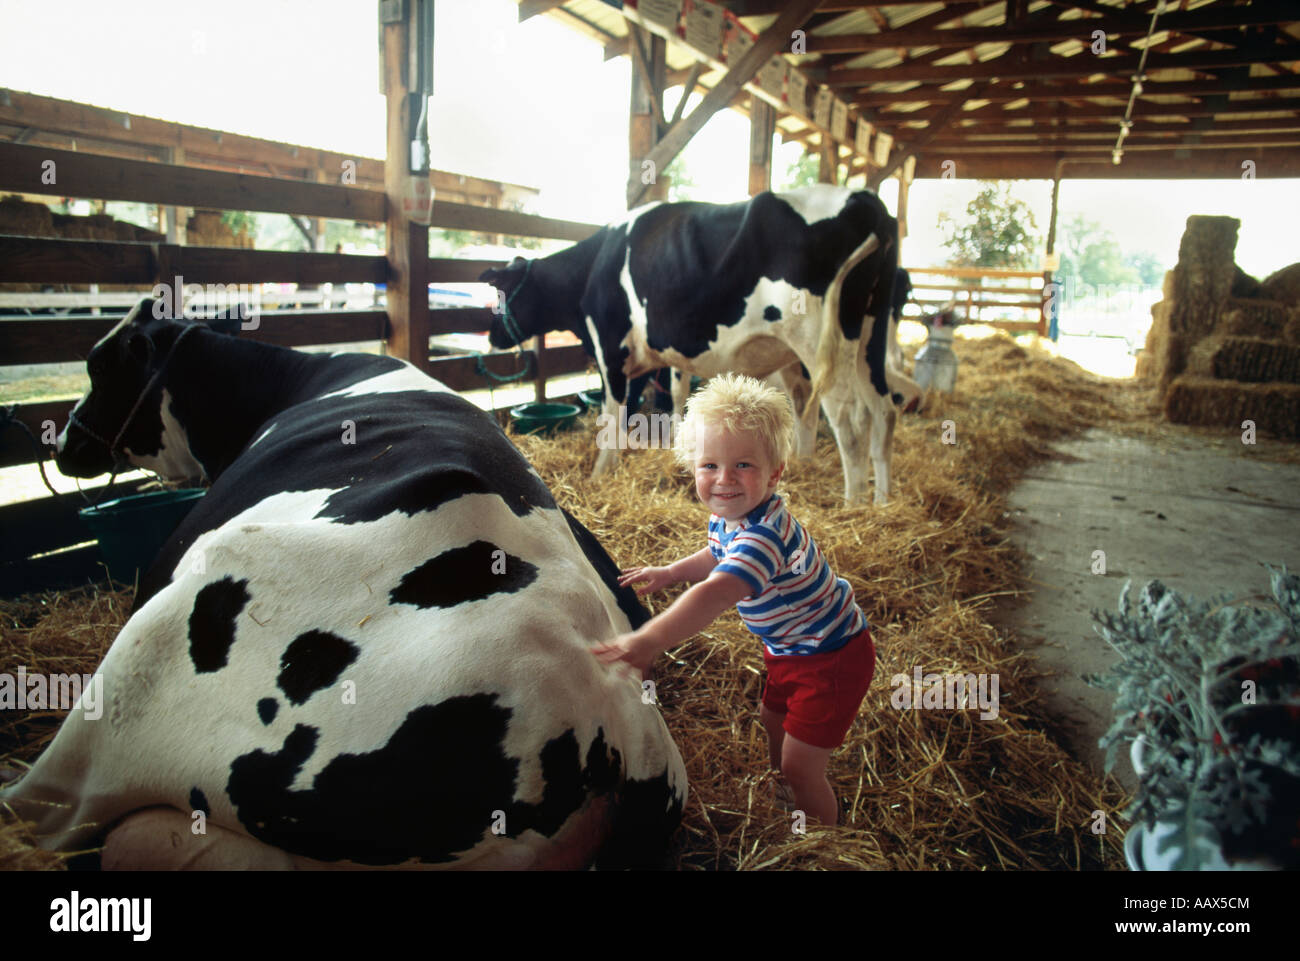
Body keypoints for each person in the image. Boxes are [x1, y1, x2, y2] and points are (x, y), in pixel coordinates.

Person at [593, 373, 876, 825]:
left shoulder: (764, 538)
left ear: (775, 471)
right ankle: (786, 788)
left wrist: (649, 639)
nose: (724, 480)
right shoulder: (731, 517)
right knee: (770, 717)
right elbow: (715, 555)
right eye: (710, 466)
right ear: (692, 467)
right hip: (787, 651)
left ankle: (824, 838)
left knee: (802, 765)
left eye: (743, 465)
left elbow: (717, 592)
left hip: (831, 657)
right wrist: (670, 572)